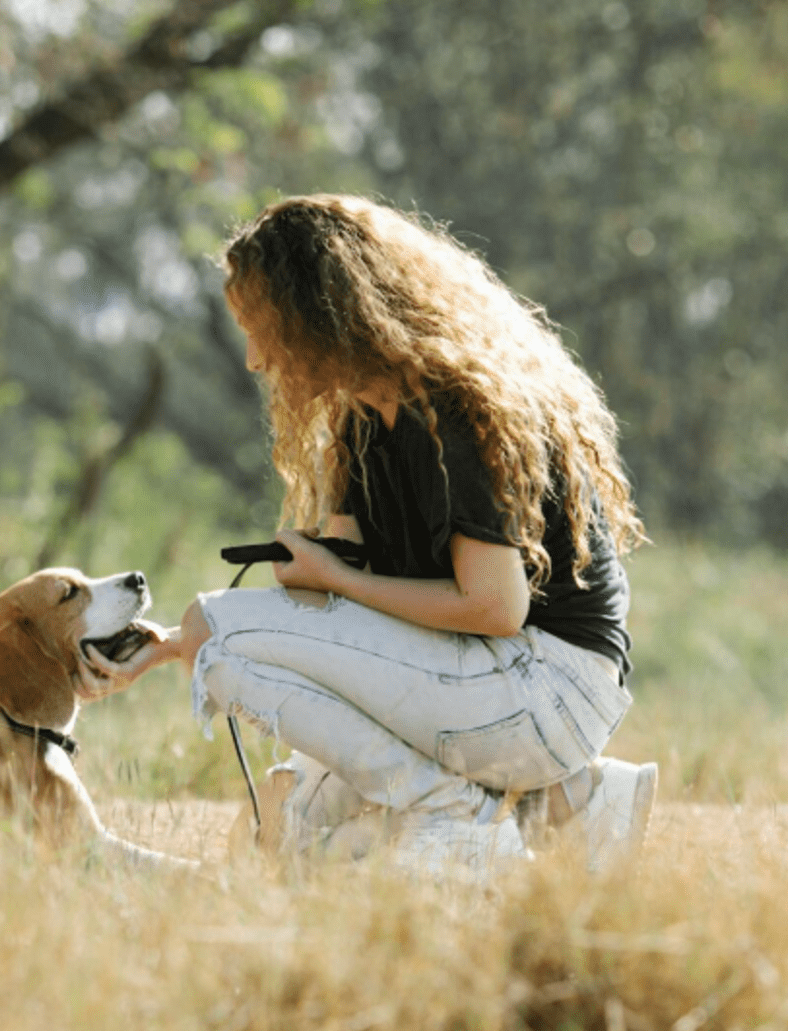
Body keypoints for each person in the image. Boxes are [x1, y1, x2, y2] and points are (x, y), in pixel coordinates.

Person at [83, 193, 657, 879]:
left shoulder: (461, 411)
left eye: (262, 327)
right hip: (482, 680)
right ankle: (571, 806)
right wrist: (174, 646)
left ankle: (457, 816)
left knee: (218, 626)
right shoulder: (364, 423)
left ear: (321, 315)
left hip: (547, 688)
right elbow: (342, 607)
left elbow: (494, 607)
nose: (254, 358)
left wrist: (325, 583)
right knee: (283, 832)